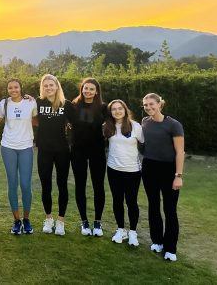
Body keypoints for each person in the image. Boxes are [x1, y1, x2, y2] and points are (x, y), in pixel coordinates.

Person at [141, 93, 185, 262]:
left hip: (169, 170)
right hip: (149, 168)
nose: (148, 108)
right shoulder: (145, 122)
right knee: (153, 206)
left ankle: (170, 248)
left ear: (160, 104)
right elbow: (144, 146)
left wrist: (178, 176)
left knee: (170, 209)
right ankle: (157, 241)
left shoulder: (173, 125)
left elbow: (180, 152)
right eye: (145, 105)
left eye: (151, 104)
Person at [0, 78, 38, 235]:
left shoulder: (31, 103)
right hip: (8, 147)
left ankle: (26, 219)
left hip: (26, 147)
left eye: (16, 87)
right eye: (10, 88)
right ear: (7, 90)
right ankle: (16, 220)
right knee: (12, 183)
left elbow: (36, 120)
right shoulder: (4, 104)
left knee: (26, 185)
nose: (13, 90)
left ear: (21, 88)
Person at [35, 74, 75, 236]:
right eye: (46, 86)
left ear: (57, 86)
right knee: (46, 185)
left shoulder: (67, 105)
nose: (49, 88)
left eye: (51, 85)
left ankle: (60, 221)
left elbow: (76, 125)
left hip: (62, 151)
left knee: (62, 184)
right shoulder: (37, 103)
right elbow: (31, 117)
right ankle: (49, 218)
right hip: (44, 149)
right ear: (42, 88)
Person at [103, 99, 144, 246]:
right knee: (117, 200)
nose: (117, 111)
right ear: (110, 112)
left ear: (125, 110)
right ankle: (121, 229)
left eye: (120, 108)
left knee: (131, 201)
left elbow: (144, 145)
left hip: (132, 171)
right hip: (114, 169)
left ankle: (132, 232)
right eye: (114, 109)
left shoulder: (136, 126)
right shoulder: (107, 127)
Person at [70, 77, 107, 236]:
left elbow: (117, 119)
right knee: (80, 185)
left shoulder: (103, 108)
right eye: (86, 88)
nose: (88, 91)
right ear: (82, 89)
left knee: (98, 186)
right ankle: (84, 221)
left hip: (97, 151)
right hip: (78, 151)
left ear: (96, 91)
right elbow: (53, 104)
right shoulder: (73, 106)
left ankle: (97, 222)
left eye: (91, 89)